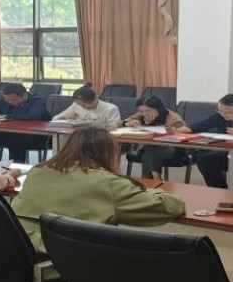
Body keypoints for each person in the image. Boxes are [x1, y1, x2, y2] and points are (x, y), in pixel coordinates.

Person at [11, 127, 185, 255]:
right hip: (70, 261)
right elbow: (172, 206)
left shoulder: (38, 171)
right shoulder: (106, 183)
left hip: (20, 253)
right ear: (109, 153)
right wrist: (154, 191)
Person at [169, 94, 233, 188]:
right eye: (220, 111)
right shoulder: (221, 116)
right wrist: (178, 130)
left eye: (228, 112)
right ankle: (222, 191)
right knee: (206, 161)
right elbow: (200, 125)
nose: (223, 114)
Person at [0, 83, 51, 162]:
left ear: (24, 95)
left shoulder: (37, 101)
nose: (10, 102)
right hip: (11, 133)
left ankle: (14, 167)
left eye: (13, 100)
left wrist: (8, 116)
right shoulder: (6, 100)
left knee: (15, 141)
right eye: (7, 100)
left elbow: (32, 116)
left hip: (36, 136)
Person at [123, 95, 187, 179]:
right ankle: (154, 179)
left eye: (148, 111)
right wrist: (128, 123)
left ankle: (152, 179)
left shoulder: (173, 118)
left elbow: (182, 134)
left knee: (150, 151)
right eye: (141, 111)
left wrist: (150, 125)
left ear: (158, 109)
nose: (144, 114)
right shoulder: (141, 114)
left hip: (172, 148)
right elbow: (121, 122)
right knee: (149, 150)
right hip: (147, 148)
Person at [52, 83, 121, 129]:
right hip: (78, 137)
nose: (83, 107)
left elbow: (113, 127)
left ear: (96, 98)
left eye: (85, 104)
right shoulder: (76, 106)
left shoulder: (111, 108)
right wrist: (64, 117)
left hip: (100, 139)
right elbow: (55, 119)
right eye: (80, 104)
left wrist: (92, 125)